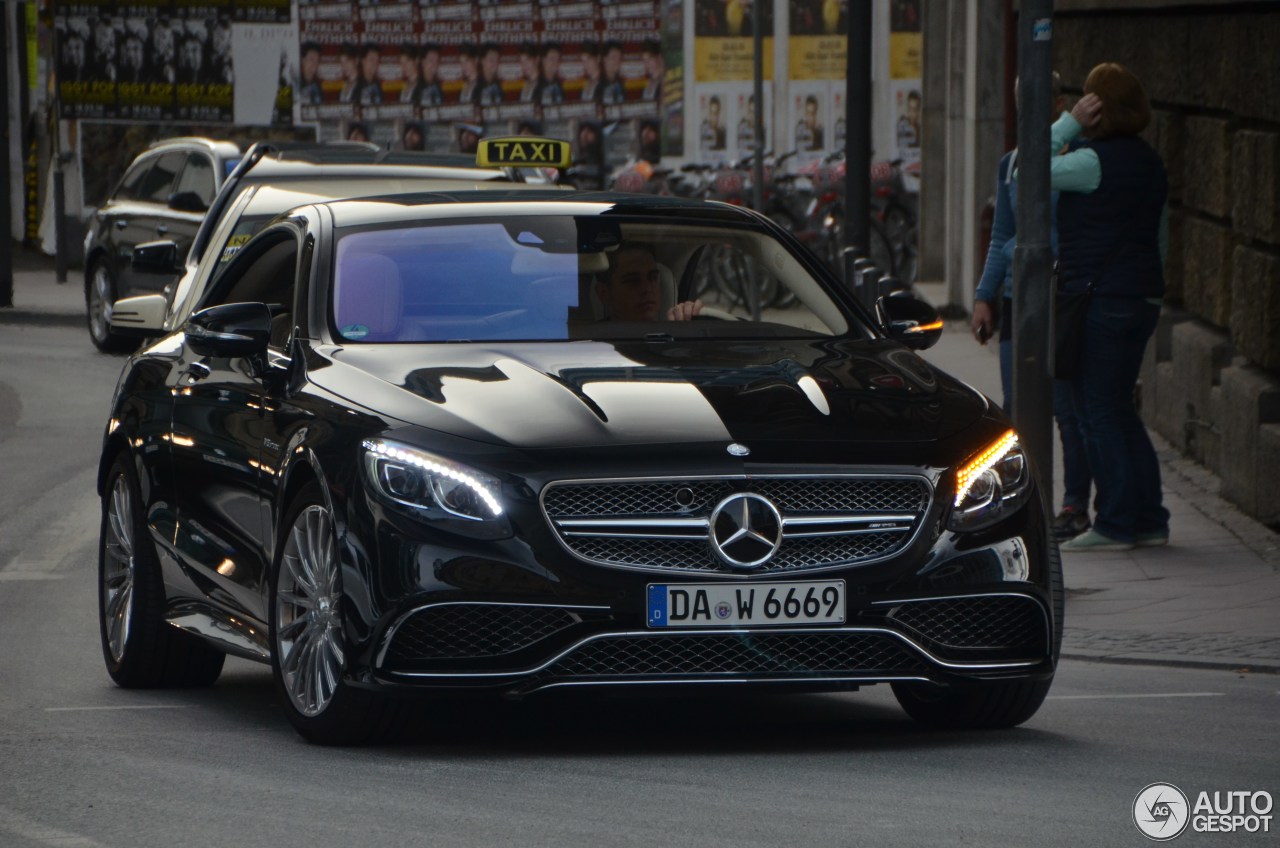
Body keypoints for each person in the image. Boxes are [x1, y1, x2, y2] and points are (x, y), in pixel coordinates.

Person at [1052, 62, 1170, 552]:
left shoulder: (1092, 163)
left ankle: (1118, 521)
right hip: (1139, 296)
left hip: (1100, 298)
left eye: (1088, 100)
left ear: (1097, 108)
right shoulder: (1148, 160)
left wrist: (1066, 122)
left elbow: (1025, 171)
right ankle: (1149, 518)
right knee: (1119, 409)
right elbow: (1157, 235)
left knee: (1096, 410)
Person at [972, 71, 1093, 542]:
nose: (1029, 108)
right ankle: (1021, 504)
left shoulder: (1079, 158)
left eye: (1039, 98)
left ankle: (1074, 504)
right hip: (1016, 299)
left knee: (1065, 407)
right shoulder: (1010, 165)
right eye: (1024, 99)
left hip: (1060, 298)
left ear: (1060, 101)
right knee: (1015, 409)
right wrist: (985, 295)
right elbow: (1001, 233)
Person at [594, 243, 703, 321]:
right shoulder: (591, 343)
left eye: (653, 278)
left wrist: (688, 321)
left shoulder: (675, 331)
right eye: (632, 281)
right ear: (605, 294)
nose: (647, 289)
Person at [418, 43, 444, 107]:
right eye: (431, 60)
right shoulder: (417, 86)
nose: (434, 64)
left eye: (437, 60)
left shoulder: (438, 86)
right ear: (423, 62)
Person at [539, 42, 565, 106]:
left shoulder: (559, 86)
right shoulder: (537, 85)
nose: (555, 63)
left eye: (557, 60)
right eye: (552, 59)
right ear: (543, 60)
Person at [599, 40, 625, 105]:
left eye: (619, 58)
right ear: (605, 59)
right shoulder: (598, 84)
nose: (617, 61)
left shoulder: (621, 84)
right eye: (613, 57)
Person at [477, 42, 503, 106]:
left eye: (497, 59)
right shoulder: (476, 86)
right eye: (491, 59)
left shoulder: (498, 85)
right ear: (482, 61)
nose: (495, 63)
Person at [640, 38, 663, 103]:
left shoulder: (665, 82)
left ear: (659, 57)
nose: (647, 64)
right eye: (644, 60)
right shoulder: (647, 83)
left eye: (650, 59)